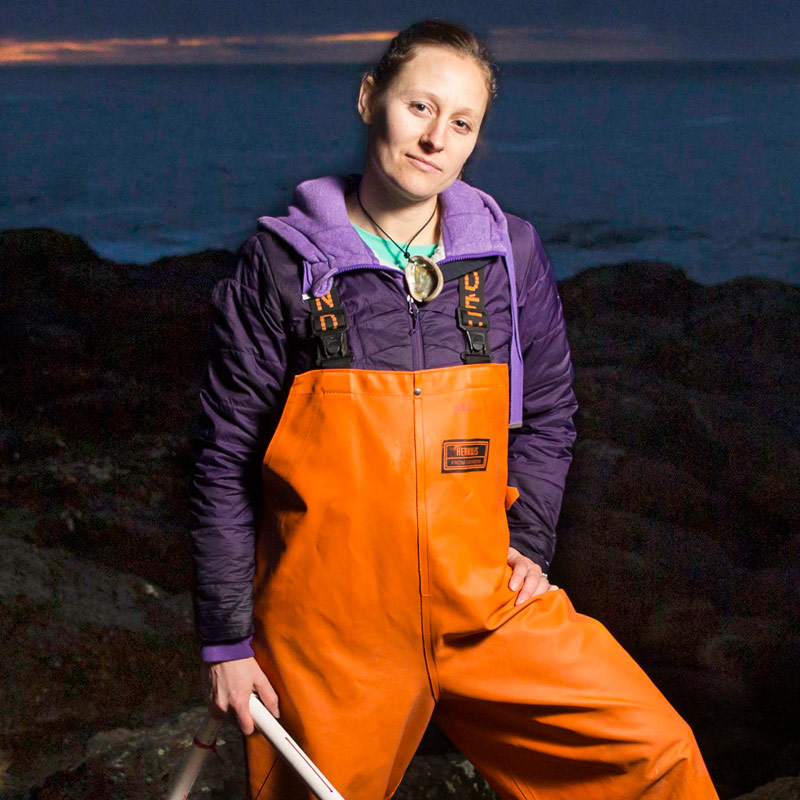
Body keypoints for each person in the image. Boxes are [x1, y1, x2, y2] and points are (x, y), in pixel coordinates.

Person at [190, 19, 719, 800]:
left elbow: (547, 410)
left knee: (656, 758)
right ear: (371, 98)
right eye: (420, 108)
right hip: (331, 631)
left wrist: (531, 543)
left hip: (486, 606)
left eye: (462, 122)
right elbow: (225, 457)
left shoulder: (510, 253)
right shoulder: (281, 266)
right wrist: (225, 642)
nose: (436, 138)